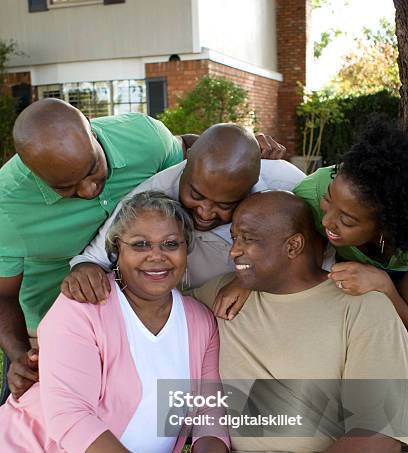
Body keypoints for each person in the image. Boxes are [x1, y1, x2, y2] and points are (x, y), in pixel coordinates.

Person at [107, 191, 408, 453]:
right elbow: (131, 316)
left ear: (293, 246)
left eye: (247, 240)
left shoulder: (361, 308)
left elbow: (379, 439)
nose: (233, 251)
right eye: (234, 238)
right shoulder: (218, 297)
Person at [0, 192, 231, 453]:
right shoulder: (85, 305)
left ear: (186, 249)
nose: (156, 257)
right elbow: (69, 417)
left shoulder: (198, 321)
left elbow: (209, 409)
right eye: (140, 244)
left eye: (170, 243)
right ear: (116, 252)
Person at [1, 106, 285, 399]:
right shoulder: (5, 208)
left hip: (125, 314)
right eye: (65, 187)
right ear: (30, 170)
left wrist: (244, 154)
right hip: (45, 321)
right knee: (32, 415)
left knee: (132, 402)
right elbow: (2, 296)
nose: (88, 191)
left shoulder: (142, 136)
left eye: (92, 169)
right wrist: (22, 354)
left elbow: (191, 157)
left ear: (91, 129)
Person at [61, 123, 307, 306]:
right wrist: (84, 271)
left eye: (225, 204)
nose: (205, 212)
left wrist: (250, 279)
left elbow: (318, 258)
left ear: (252, 183)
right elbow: (94, 260)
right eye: (196, 195)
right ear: (187, 160)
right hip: (188, 312)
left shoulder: (287, 184)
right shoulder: (151, 193)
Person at [293, 118, 408, 327]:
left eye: (346, 220)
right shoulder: (312, 192)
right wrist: (245, 283)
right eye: (328, 200)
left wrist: (384, 286)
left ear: (386, 224)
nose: (326, 221)